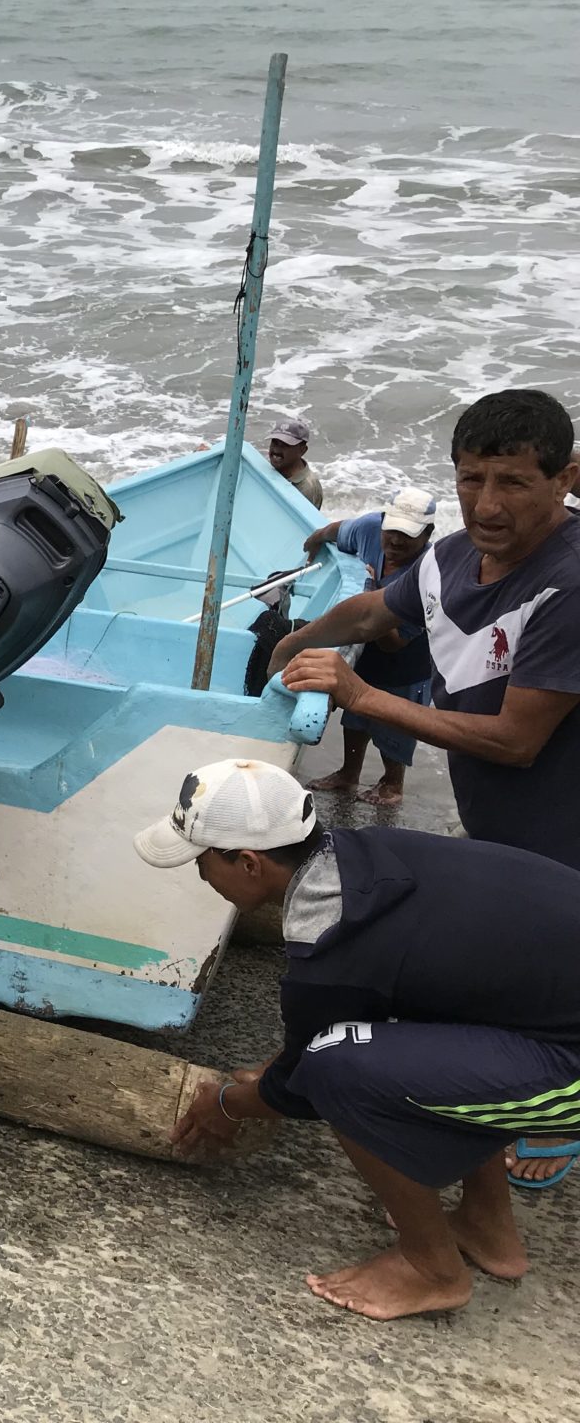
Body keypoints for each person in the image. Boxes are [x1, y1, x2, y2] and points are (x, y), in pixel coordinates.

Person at [271, 390, 580, 1187]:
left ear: (564, 478)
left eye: (512, 482)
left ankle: (554, 1117)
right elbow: (377, 612)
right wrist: (299, 640)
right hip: (502, 833)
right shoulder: (445, 558)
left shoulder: (570, 586)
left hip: (564, 841)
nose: (487, 503)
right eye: (471, 478)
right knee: (496, 986)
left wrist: (363, 698)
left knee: (547, 1007)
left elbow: (517, 740)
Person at [144, 758, 580, 1320]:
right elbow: (373, 998)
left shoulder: (329, 934)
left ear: (248, 863)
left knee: (335, 1068)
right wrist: (284, 1063)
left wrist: (227, 1103)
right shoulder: (365, 857)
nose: (201, 878)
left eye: (200, 863)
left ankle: (432, 1270)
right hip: (549, 1017)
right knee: (400, 1030)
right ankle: (486, 1226)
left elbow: (304, 1090)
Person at [299, 486, 439, 805]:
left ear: (428, 533)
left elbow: (394, 643)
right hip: (366, 650)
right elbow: (334, 530)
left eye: (407, 535)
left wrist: (370, 597)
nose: (395, 541)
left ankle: (392, 785)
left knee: (395, 726)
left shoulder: (429, 575)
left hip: (406, 662)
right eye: (392, 530)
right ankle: (349, 774)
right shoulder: (369, 528)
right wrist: (313, 543)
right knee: (356, 714)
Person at [268, 417, 324, 508]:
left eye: (285, 445)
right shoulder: (271, 469)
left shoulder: (307, 489)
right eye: (275, 442)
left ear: (302, 450)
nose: (277, 449)